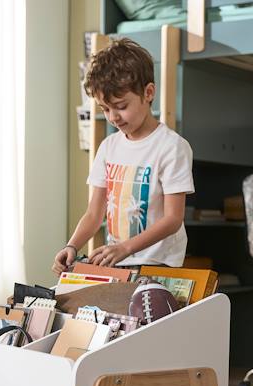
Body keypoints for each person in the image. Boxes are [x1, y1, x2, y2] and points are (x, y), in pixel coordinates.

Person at [52, 38, 194, 276]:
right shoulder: (108, 147)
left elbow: (173, 219)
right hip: (117, 261)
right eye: (105, 109)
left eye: (120, 105)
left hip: (158, 265)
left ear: (148, 93)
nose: (113, 117)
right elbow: (94, 214)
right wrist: (72, 245)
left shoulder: (172, 147)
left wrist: (126, 248)